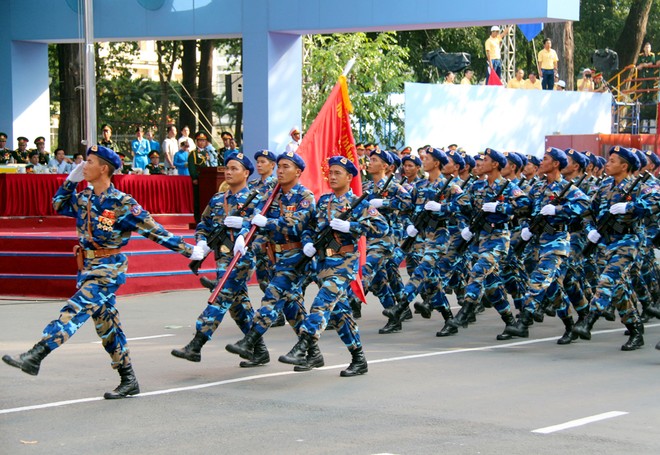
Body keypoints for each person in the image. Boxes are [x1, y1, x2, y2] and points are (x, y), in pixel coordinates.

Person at [2, 145, 195, 399]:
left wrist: (191, 251)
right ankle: (129, 380)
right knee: (107, 326)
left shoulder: (123, 203)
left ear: (104, 168)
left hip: (109, 269)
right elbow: (58, 204)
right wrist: (70, 181)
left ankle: (36, 354)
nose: (84, 165)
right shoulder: (84, 198)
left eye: (89, 162)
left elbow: (156, 231)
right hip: (88, 267)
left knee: (77, 308)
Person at [278, 156, 388, 377]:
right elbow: (310, 226)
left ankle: (303, 346)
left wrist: (352, 226)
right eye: (331, 172)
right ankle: (359, 359)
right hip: (322, 264)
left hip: (343, 265)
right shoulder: (323, 201)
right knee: (339, 313)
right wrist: (308, 241)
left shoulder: (359, 203)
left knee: (321, 304)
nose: (333, 176)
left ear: (349, 177)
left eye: (338, 173)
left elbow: (382, 227)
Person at [225, 151, 316, 369]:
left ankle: (250, 341)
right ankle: (313, 353)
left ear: (298, 172)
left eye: (286, 167)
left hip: (296, 257)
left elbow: (296, 225)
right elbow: (255, 218)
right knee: (293, 309)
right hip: (275, 256)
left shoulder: (305, 196)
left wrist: (269, 223)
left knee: (272, 296)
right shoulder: (272, 195)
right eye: (280, 167)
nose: (281, 171)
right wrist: (243, 236)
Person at [171, 152, 258, 364]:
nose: (229, 172)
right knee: (239, 306)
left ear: (246, 173)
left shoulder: (255, 199)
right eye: (227, 168)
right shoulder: (219, 199)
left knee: (220, 296)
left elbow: (261, 226)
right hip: (221, 258)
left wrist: (244, 229)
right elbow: (204, 224)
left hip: (242, 257)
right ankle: (258, 349)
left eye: (234, 168)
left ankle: (196, 344)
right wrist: (201, 241)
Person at [572, 147, 659, 350]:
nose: (607, 164)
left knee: (607, 280)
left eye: (612, 161)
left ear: (624, 166)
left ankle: (588, 322)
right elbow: (587, 211)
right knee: (617, 289)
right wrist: (591, 230)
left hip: (628, 242)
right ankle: (636, 330)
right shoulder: (604, 186)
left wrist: (630, 207)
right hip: (605, 243)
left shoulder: (640, 186)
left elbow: (656, 202)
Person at [504, 147, 589, 343]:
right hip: (536, 242)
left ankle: (523, 322)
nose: (541, 163)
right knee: (552, 289)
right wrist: (525, 226)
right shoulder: (537, 187)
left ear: (556, 164)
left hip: (557, 242)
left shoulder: (567, 188)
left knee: (539, 279)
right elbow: (526, 207)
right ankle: (570, 324)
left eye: (545, 159)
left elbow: (584, 205)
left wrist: (558, 208)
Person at [188, 131, 211, 223]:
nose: (202, 142)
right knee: (198, 199)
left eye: (204, 140)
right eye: (200, 140)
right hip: (199, 179)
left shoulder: (207, 153)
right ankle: (198, 218)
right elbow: (192, 166)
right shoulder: (193, 153)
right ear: (196, 141)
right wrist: (194, 178)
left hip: (208, 180)